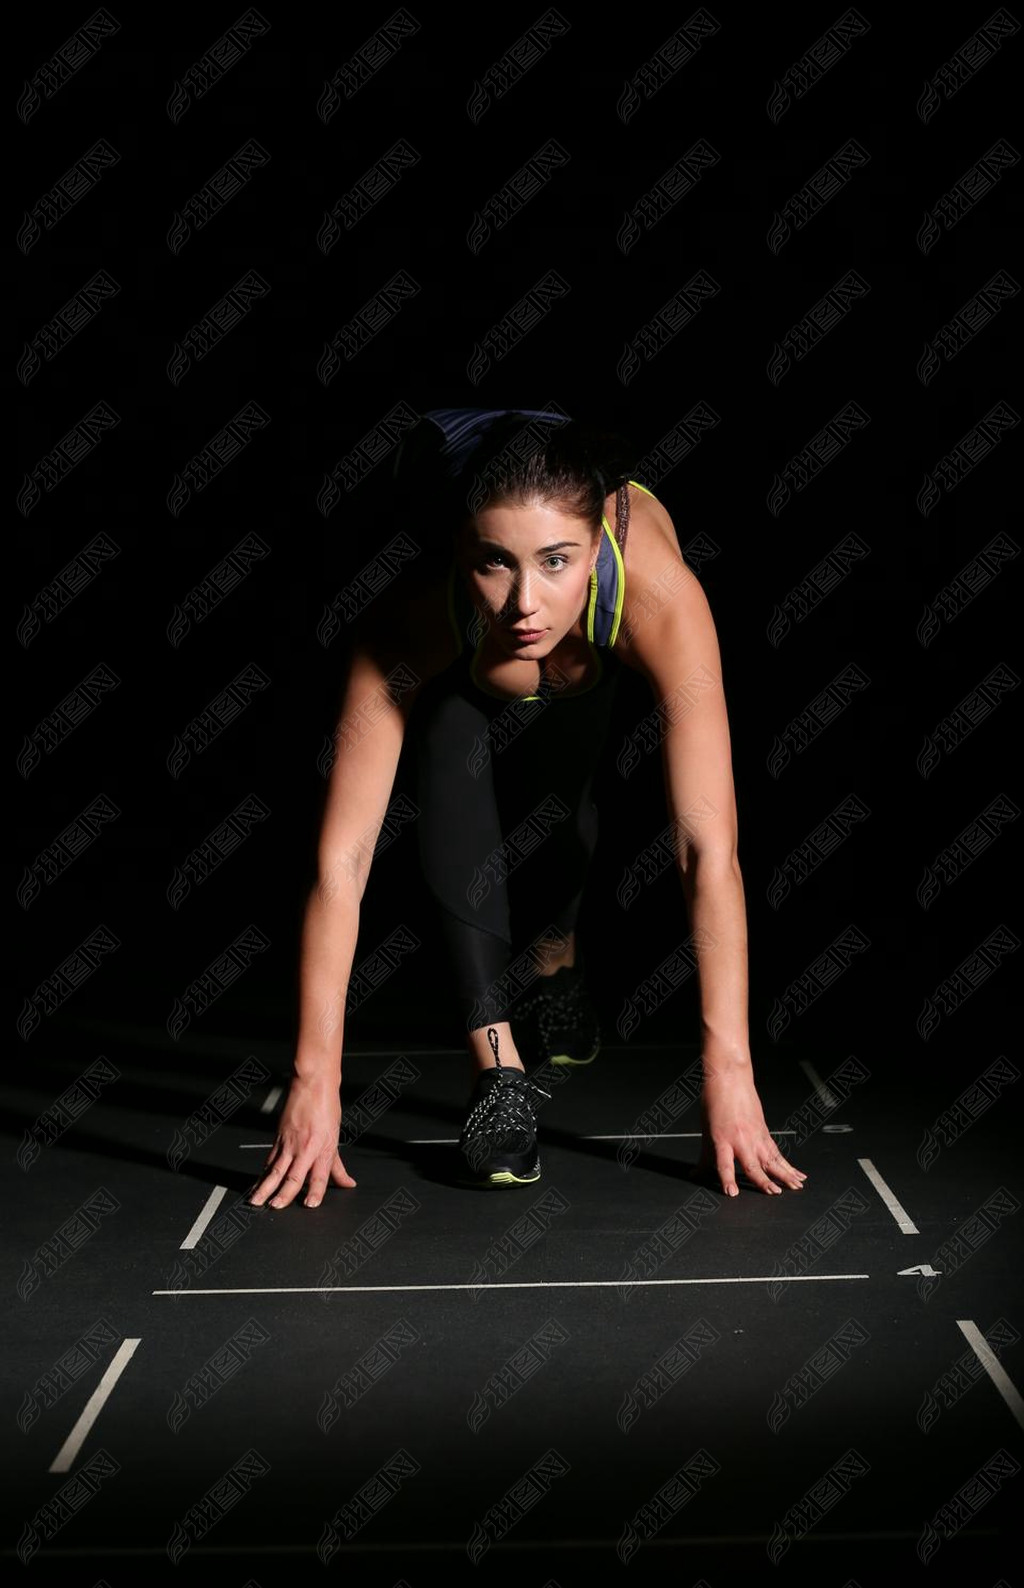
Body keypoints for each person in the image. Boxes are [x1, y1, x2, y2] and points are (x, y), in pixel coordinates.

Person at [247, 407, 808, 1206]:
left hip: (589, 668)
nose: (523, 603)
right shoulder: (418, 616)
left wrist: (730, 1075)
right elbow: (343, 861)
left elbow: (704, 849)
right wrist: (315, 1076)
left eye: (555, 561)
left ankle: (557, 958)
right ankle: (499, 1072)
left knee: (563, 810)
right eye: (494, 564)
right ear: (461, 552)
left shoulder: (659, 598)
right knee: (445, 741)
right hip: (461, 672)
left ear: (599, 539)